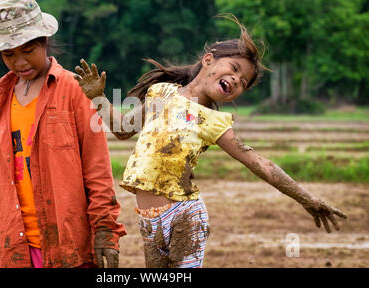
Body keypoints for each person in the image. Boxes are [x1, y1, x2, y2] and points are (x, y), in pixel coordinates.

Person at [74, 15, 347, 268]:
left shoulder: (211, 121)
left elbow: (258, 163)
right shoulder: (160, 93)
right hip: (148, 221)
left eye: (242, 82)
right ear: (208, 61)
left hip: (184, 216)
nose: (236, 79)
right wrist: (98, 97)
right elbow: (123, 129)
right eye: (234, 68)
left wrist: (308, 199)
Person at [0, 0, 126, 268]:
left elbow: (96, 167)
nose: (20, 62)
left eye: (28, 50)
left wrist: (106, 231)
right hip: (15, 245)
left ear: (44, 41)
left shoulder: (73, 90)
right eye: (9, 54)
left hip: (68, 243)